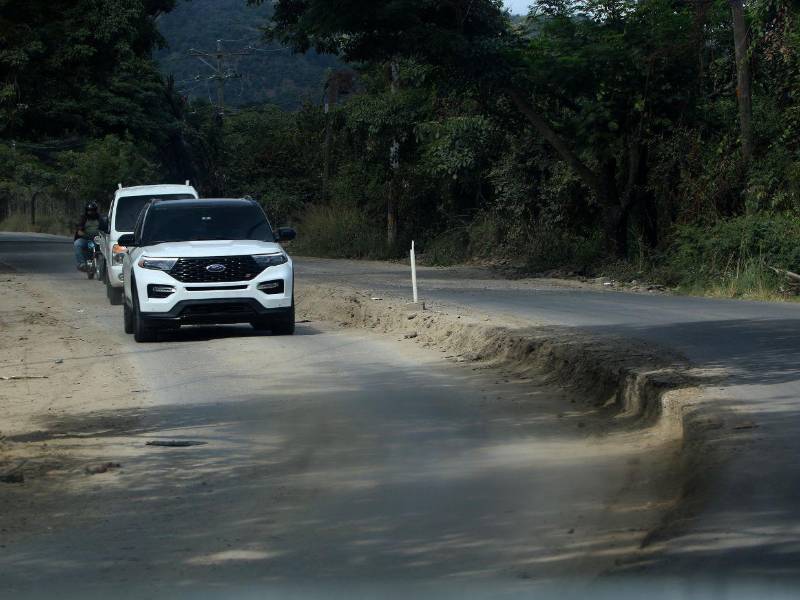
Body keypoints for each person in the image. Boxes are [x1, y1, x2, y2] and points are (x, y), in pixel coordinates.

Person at [73, 202, 106, 271]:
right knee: (77, 243)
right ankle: (82, 264)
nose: (91, 212)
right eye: (89, 210)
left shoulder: (100, 218)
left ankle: (106, 266)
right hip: (86, 239)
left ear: (95, 210)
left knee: (107, 247)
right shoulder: (83, 218)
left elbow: (104, 227)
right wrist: (83, 234)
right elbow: (79, 230)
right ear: (86, 210)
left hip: (97, 239)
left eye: (93, 210)